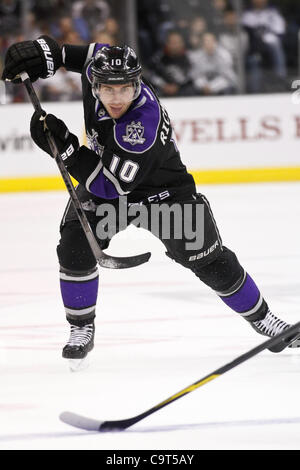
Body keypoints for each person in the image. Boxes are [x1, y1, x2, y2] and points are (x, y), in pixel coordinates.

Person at [2, 35, 299, 367]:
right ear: (94, 83)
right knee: (75, 241)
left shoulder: (142, 124)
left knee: (208, 258)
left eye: (125, 89)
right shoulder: (100, 64)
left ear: (136, 84)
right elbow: (73, 53)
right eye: (108, 89)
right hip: (109, 177)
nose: (116, 97)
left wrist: (67, 149)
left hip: (163, 191)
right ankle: (81, 329)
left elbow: (107, 186)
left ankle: (264, 319)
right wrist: (40, 54)